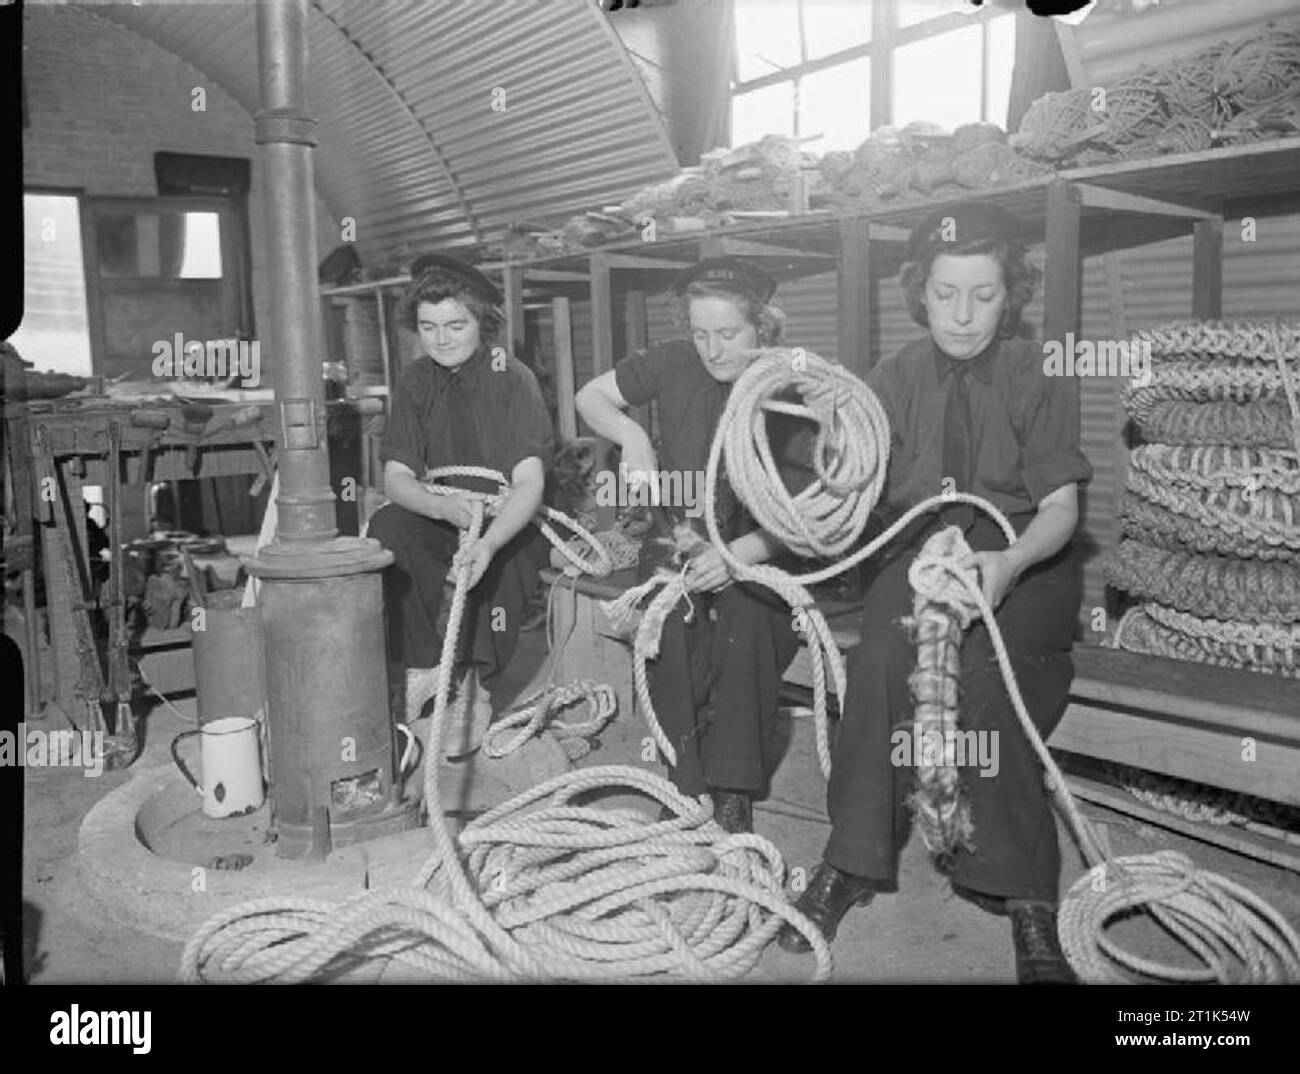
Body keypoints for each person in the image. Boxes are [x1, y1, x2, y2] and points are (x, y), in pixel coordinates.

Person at [778, 204, 1093, 984]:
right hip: (921, 553)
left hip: (1022, 557)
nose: (962, 314)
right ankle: (850, 860)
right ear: (922, 292)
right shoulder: (891, 377)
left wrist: (1009, 564)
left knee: (988, 674)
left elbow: (1062, 508)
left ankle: (1025, 894)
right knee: (882, 661)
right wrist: (819, 430)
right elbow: (846, 482)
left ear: (1007, 296)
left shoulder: (1040, 371)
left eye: (982, 295)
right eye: (946, 293)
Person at [575, 257, 813, 834]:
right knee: (670, 624)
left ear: (762, 328)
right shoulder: (672, 362)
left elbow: (804, 514)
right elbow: (590, 397)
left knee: (746, 622)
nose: (713, 349)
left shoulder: (786, 388)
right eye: (701, 333)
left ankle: (732, 791)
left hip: (760, 548)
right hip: (681, 540)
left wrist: (736, 560)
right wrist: (631, 434)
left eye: (728, 334)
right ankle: (685, 783)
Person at [368, 254, 554, 759]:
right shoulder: (414, 382)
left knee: (499, 566)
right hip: (443, 504)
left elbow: (529, 481)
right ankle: (426, 666)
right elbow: (396, 478)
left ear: (483, 323)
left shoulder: (514, 379)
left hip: (506, 512)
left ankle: (474, 685)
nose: (441, 339)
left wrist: (489, 540)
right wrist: (440, 507)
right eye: (428, 327)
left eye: (456, 325)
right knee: (388, 527)